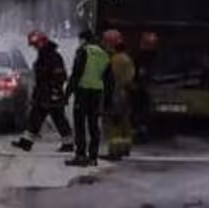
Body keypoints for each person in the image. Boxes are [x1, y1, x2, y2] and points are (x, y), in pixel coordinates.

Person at [12, 30, 74, 153]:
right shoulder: (43, 55)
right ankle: (26, 142)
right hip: (42, 94)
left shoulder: (53, 56)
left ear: (42, 42)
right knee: (35, 118)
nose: (35, 47)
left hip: (51, 93)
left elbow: (60, 75)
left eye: (36, 44)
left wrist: (54, 89)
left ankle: (68, 143)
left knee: (58, 119)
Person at [64, 28, 112, 167]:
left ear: (84, 39)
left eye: (80, 39)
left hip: (82, 91)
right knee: (93, 125)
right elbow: (109, 79)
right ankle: (93, 156)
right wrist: (107, 99)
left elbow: (76, 74)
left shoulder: (83, 51)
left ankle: (80, 155)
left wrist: (67, 94)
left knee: (79, 124)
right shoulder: (104, 53)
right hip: (96, 92)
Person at [102, 29, 136, 160]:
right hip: (125, 94)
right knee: (124, 124)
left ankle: (115, 151)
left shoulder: (115, 60)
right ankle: (125, 148)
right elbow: (130, 78)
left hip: (116, 95)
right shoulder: (127, 59)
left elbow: (111, 79)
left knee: (114, 123)